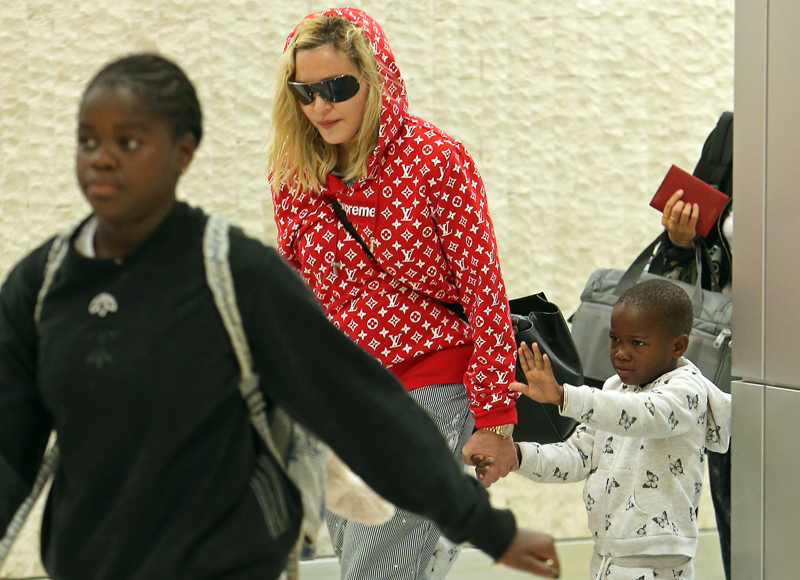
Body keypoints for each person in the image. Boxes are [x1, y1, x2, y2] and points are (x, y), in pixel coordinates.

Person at [0, 53, 563, 580]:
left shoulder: (236, 275)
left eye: (128, 141)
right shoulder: (41, 285)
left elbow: (362, 404)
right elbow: (9, 446)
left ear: (183, 152)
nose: (101, 158)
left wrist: (488, 519)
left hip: (227, 556)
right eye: (87, 140)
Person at [267, 8, 519, 579]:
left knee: (377, 568)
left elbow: (484, 293)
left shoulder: (437, 161)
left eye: (338, 86)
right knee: (383, 564)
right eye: (305, 92)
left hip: (429, 390)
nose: (321, 105)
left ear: (375, 79)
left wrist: (495, 416)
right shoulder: (294, 174)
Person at [477, 279, 731, 580]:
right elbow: (579, 456)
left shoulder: (686, 392)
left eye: (637, 343)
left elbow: (641, 415)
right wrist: (518, 456)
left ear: (678, 346)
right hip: (607, 554)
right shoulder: (614, 388)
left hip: (658, 560)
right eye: (614, 339)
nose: (621, 352)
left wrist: (563, 396)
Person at [647, 111, 733, 580]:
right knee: (742, 504)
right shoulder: (733, 134)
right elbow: (697, 248)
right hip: (733, 355)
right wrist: (681, 237)